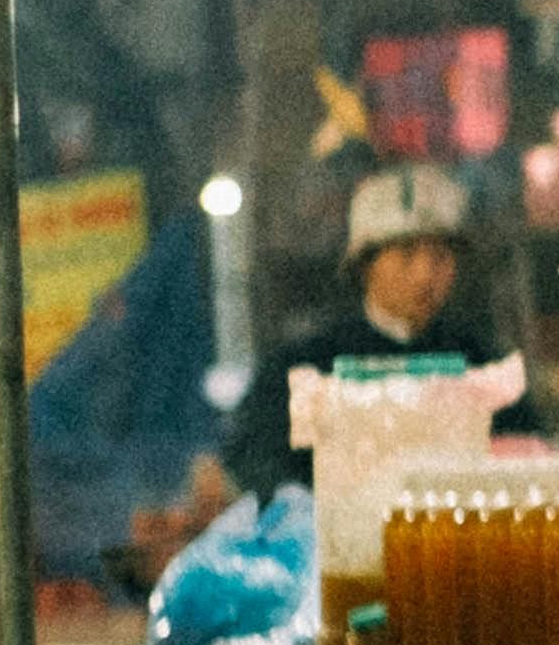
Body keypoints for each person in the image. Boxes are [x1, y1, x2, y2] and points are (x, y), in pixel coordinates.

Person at [205, 163, 529, 505]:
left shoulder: (484, 368)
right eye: (406, 254)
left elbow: (527, 458)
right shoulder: (304, 367)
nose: (425, 275)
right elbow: (254, 464)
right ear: (365, 264)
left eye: (439, 256)